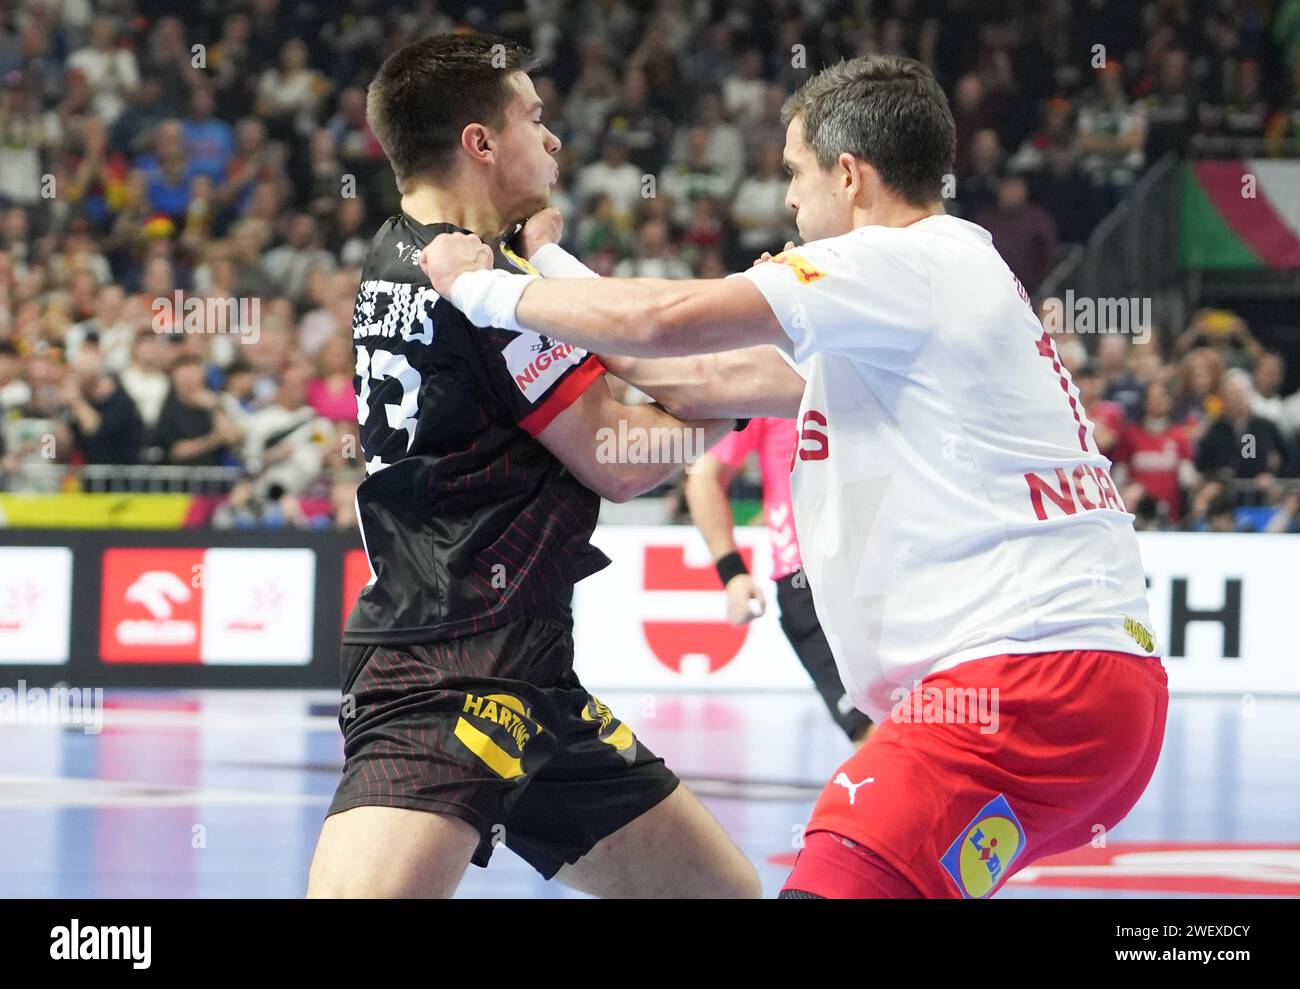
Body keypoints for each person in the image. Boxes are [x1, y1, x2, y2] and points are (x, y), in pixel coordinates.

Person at [421, 53, 1168, 900]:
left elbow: (666, 321)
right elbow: (692, 376)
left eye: (794, 173)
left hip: (1024, 684)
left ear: (849, 176)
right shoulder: (928, 291)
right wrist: (549, 265)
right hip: (1085, 693)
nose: (786, 199)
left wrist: (482, 289)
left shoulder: (899, 262)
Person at [307, 33, 757, 900]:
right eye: (535, 119)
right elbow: (621, 460)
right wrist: (722, 396)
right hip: (446, 673)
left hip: (532, 676)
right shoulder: (479, 286)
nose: (553, 140)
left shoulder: (402, 252)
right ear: (480, 143)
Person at [684, 418, 872, 743]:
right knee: (874, 733)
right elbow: (703, 476)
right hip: (807, 579)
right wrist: (732, 573)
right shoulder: (768, 380)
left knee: (921, 725)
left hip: (885, 571)